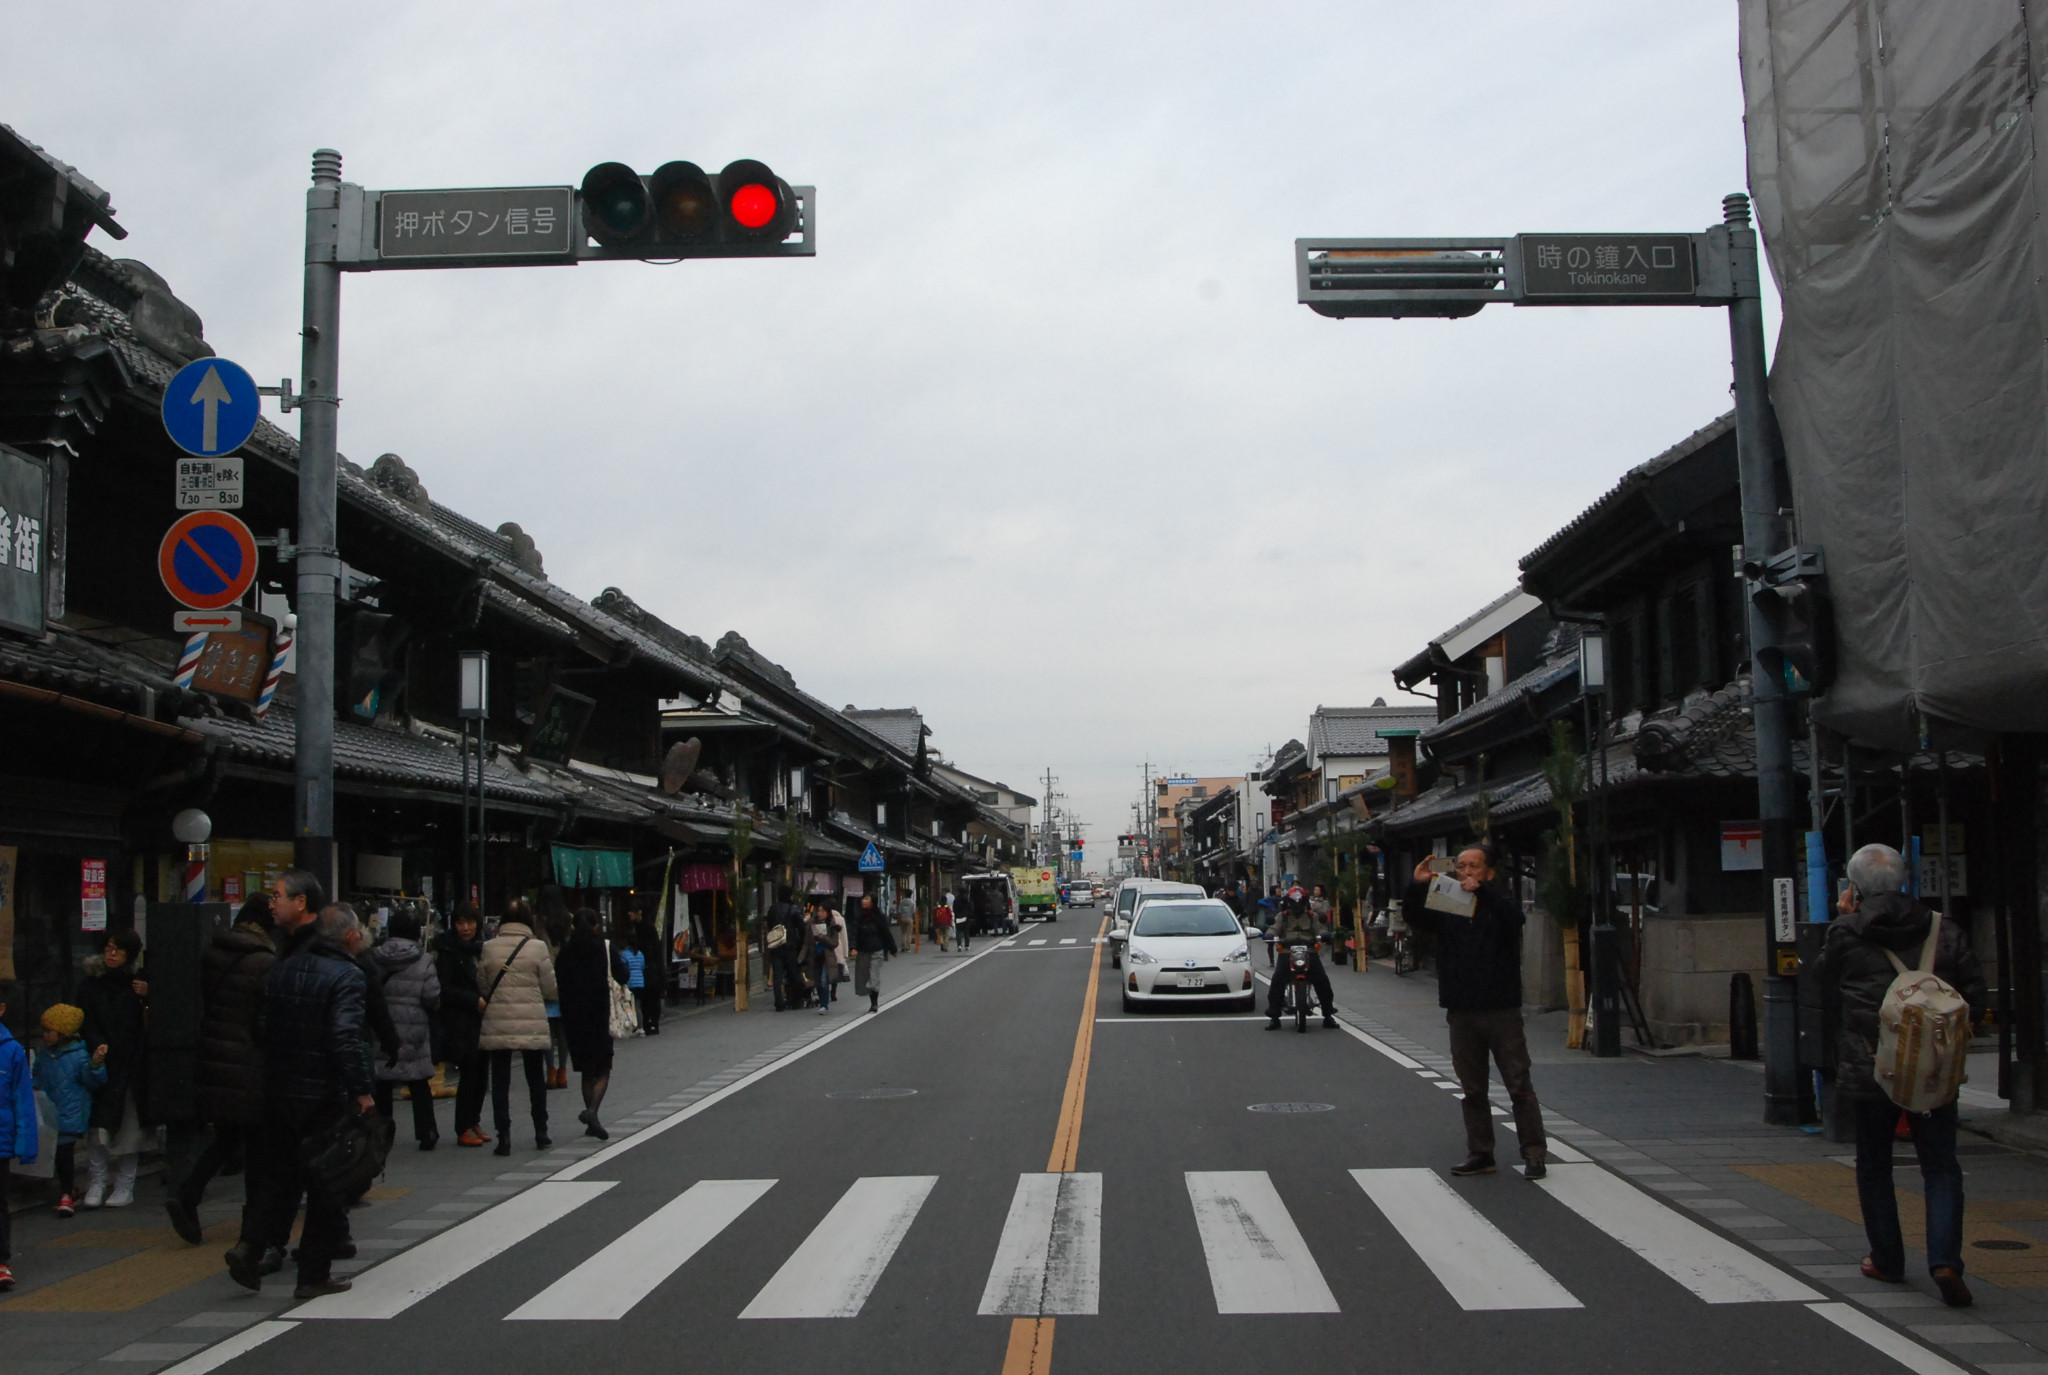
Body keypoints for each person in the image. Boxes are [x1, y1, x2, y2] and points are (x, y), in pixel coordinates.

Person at [1819, 842, 1987, 1309]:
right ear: (1905, 880)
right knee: (1941, 1165)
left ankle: (1887, 1260)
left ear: (1854, 889)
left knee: (1874, 1164)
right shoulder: (1943, 928)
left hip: (1872, 1064)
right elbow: (1976, 992)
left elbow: (1822, 983)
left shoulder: (1846, 931)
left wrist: (1840, 917)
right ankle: (1945, 1262)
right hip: (1932, 1068)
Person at [229, 872, 373, 1299]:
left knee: (278, 1175)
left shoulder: (283, 968)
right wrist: (362, 1089)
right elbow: (346, 1037)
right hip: (323, 1093)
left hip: (280, 1087)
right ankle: (312, 1274)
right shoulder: (346, 976)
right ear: (348, 936)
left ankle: (250, 1245)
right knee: (328, 1182)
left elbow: (261, 1025)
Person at [1403, 847, 1547, 1180]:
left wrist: (1480, 891)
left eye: (1475, 866)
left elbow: (1515, 919)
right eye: (1462, 866)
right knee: (1472, 1088)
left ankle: (1534, 1153)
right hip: (1462, 1009)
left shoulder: (1501, 904)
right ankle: (1481, 1152)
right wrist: (1418, 884)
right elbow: (1415, 918)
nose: (1467, 871)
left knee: (1518, 1082)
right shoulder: (1450, 903)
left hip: (1501, 1009)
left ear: (1489, 873)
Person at [168, 895, 276, 1250]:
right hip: (247, 1060)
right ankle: (252, 1226)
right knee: (257, 1143)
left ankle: (188, 1193)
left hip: (214, 1054)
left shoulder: (214, 952)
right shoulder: (263, 960)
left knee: (229, 1137)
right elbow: (264, 1019)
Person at [477, 898, 558, 1156]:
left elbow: (483, 983)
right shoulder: (537, 947)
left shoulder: (489, 947)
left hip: (498, 1019)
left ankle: (504, 1135)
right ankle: (541, 1130)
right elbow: (549, 988)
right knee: (535, 1077)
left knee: (500, 1080)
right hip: (531, 1019)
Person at [78, 928, 149, 1208]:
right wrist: (96, 1045)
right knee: (98, 1128)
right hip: (100, 1064)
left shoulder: (138, 983)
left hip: (131, 1064)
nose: (112, 954)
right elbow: (85, 1019)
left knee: (130, 1128)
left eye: (118, 949)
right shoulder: (90, 984)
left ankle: (125, 1184)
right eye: (108, 948)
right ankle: (96, 1181)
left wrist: (147, 995)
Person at [371, 911, 442, 1151]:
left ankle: (382, 1134)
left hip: (383, 1027)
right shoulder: (423, 960)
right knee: (418, 1080)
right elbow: (431, 995)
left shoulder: (375, 958)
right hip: (414, 1028)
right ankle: (427, 1132)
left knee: (382, 1080)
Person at [556, 908, 628, 1140]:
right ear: (596, 926)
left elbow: (558, 981)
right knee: (603, 1069)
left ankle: (591, 1120)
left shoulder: (565, 951)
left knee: (587, 1071)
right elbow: (623, 975)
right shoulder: (606, 948)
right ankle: (592, 1111)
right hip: (600, 1015)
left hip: (574, 1018)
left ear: (573, 926)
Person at [32, 1003, 101, 1220]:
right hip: (53, 1111)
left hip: (69, 1112)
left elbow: (93, 1081)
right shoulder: (45, 1056)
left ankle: (66, 1192)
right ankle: (68, 1189)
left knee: (64, 1153)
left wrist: (95, 1065)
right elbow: (37, 1078)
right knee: (57, 1153)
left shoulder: (78, 1057)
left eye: (49, 1031)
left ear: (63, 1033)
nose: (45, 1035)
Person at [433, 904, 490, 1148]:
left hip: (483, 1019)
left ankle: (474, 1121)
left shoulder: (484, 948)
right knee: (469, 1073)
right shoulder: (448, 950)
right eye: (460, 923)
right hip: (460, 1019)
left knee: (481, 1074)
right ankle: (463, 1126)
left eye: (470, 923)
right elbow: (444, 989)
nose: (465, 928)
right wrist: (473, 999)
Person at [1, 982, 39, 1291]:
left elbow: (22, 1099)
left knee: (0, 1202)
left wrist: (26, 1144)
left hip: (0, 1140)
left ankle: (2, 1260)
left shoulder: (11, 1050)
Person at [1264, 885, 1336, 1029]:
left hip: (1309, 951)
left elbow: (1320, 928)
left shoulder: (1312, 916)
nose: (1296, 904)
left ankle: (1328, 1015)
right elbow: (1273, 928)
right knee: (1277, 980)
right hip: (1287, 952)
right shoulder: (1281, 917)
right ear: (1288, 902)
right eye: (1293, 901)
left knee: (1322, 980)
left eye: (1300, 901)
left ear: (1305, 901)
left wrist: (1323, 934)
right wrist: (1270, 934)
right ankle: (1274, 1016)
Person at [537, 886, 574, 1088]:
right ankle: (562, 1071)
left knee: (547, 1032)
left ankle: (550, 1071)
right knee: (563, 1032)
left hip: (544, 980)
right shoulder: (569, 920)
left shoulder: (537, 923)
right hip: (565, 981)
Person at [850, 893, 899, 1013]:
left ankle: (874, 1003)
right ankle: (871, 999)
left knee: (874, 975)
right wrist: (853, 947)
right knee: (864, 977)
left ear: (872, 901)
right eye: (864, 898)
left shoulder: (878, 916)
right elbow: (854, 932)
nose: (864, 900)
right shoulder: (859, 916)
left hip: (877, 949)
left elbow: (885, 932)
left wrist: (892, 948)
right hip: (863, 950)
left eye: (867, 898)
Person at [624, 901, 663, 1035]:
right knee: (644, 999)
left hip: (650, 968)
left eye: (631, 910)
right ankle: (646, 1023)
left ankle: (652, 1024)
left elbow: (654, 950)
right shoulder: (633, 927)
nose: (629, 913)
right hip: (641, 968)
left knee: (650, 997)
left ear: (639, 912)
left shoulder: (648, 928)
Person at [766, 888, 808, 1011]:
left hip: (776, 945)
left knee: (777, 975)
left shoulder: (772, 909)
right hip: (790, 945)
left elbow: (769, 925)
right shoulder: (793, 908)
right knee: (793, 973)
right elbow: (801, 927)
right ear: (790, 895)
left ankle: (778, 1002)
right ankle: (795, 1000)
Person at [810, 900, 847, 1015]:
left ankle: (824, 1005)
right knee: (817, 981)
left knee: (824, 979)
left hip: (827, 957)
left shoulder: (833, 925)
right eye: (818, 911)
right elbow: (807, 942)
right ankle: (822, 1000)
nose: (820, 913)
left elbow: (834, 943)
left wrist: (823, 938)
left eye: (822, 911)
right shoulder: (812, 923)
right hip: (815, 955)